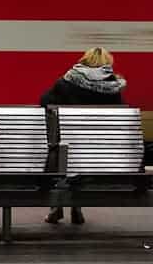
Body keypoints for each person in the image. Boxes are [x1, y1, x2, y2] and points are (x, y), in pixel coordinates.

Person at [40, 47, 127, 225]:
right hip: (101, 153)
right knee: (80, 156)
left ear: (84, 61)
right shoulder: (113, 87)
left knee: (59, 151)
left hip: (69, 152)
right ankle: (76, 206)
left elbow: (44, 101)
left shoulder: (67, 82)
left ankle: (57, 207)